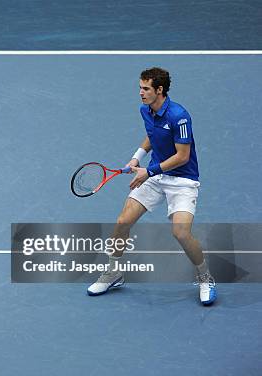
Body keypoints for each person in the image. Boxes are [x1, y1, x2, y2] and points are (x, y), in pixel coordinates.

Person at [87, 67, 217, 305]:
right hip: (156, 175)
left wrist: (148, 171)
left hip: (182, 180)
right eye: (140, 87)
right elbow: (152, 135)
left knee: (181, 232)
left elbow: (182, 156)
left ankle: (205, 277)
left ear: (160, 90)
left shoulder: (180, 116)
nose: (141, 93)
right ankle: (114, 272)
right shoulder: (145, 110)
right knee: (122, 222)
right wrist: (137, 157)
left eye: (146, 88)